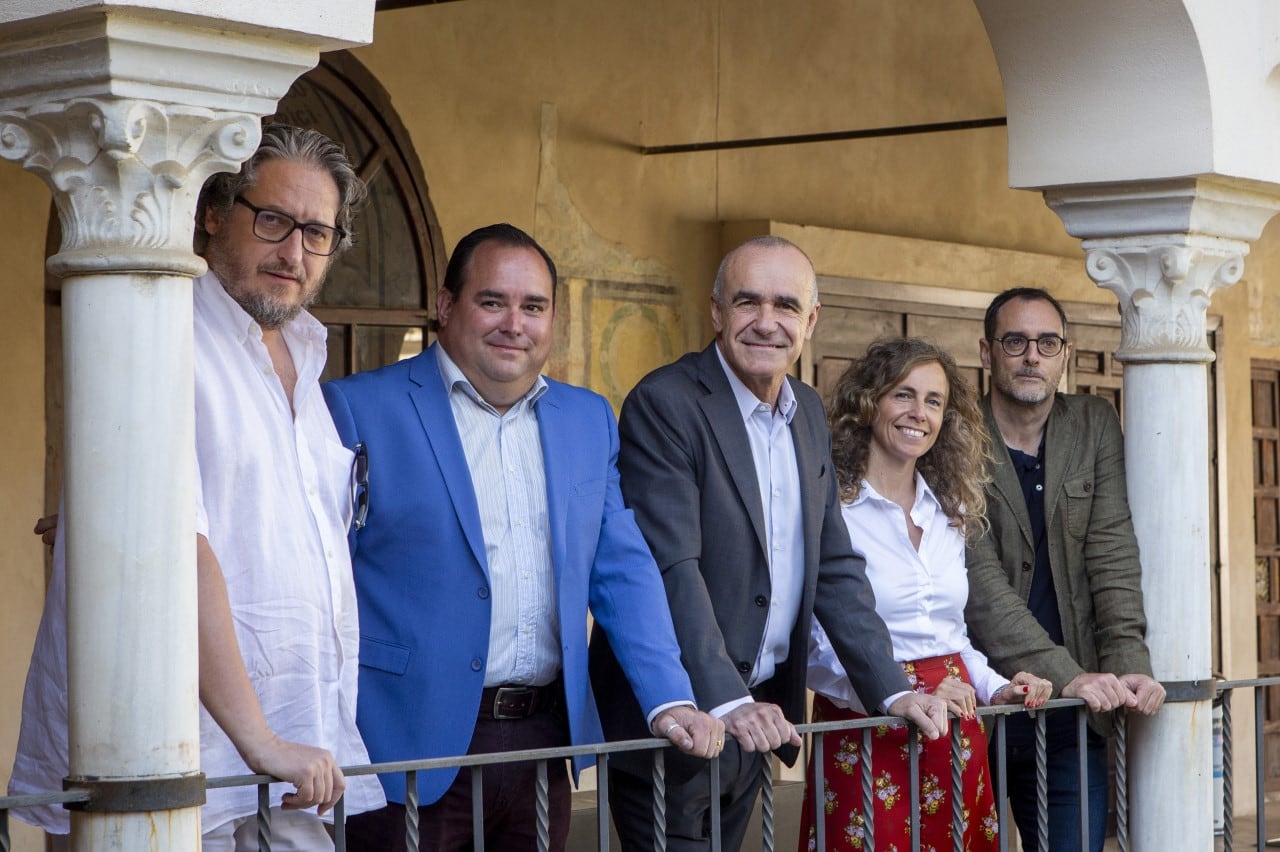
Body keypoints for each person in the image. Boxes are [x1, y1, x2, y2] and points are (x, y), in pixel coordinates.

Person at [9, 124, 386, 848]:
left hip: (296, 760)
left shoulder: (307, 354)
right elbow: (175, 545)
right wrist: (259, 740)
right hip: (183, 765)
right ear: (214, 212)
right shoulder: (161, 330)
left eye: (317, 233)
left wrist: (288, 744)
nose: (294, 253)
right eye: (273, 220)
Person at [321, 223, 724, 852]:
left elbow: (622, 569)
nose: (515, 323)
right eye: (492, 302)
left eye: (533, 306)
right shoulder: (354, 409)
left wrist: (668, 698)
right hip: (399, 743)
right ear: (446, 306)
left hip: (542, 743)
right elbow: (323, 574)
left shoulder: (589, 419)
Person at [589, 236, 950, 852]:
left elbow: (834, 564)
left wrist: (891, 688)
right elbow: (672, 566)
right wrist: (729, 700)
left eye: (786, 306)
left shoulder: (807, 411)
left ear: (810, 321)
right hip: (681, 719)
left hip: (759, 719)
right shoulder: (666, 403)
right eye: (747, 302)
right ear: (716, 312)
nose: (766, 322)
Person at [798, 338, 1051, 852]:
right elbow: (813, 650)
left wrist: (997, 687)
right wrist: (901, 691)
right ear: (869, 403)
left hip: (956, 734)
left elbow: (952, 638)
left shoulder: (948, 512)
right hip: (864, 733)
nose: (919, 413)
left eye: (934, 401)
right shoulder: (833, 511)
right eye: (903, 395)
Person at [964, 287, 1167, 852]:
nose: (1032, 355)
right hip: (982, 705)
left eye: (1047, 342)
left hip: (1072, 718)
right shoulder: (953, 434)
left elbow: (1111, 550)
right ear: (987, 352)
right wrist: (1068, 675)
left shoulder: (1093, 424)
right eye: (1015, 341)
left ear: (1065, 354)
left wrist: (1127, 664)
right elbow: (977, 583)